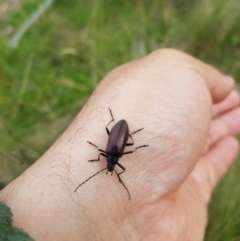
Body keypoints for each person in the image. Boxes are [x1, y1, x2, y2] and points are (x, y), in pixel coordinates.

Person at [0, 49, 239, 241]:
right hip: (121, 132)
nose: (110, 167)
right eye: (111, 166)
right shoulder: (113, 156)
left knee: (123, 140)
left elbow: (113, 145)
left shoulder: (109, 154)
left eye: (109, 166)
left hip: (121, 129)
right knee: (122, 142)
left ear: (110, 161)